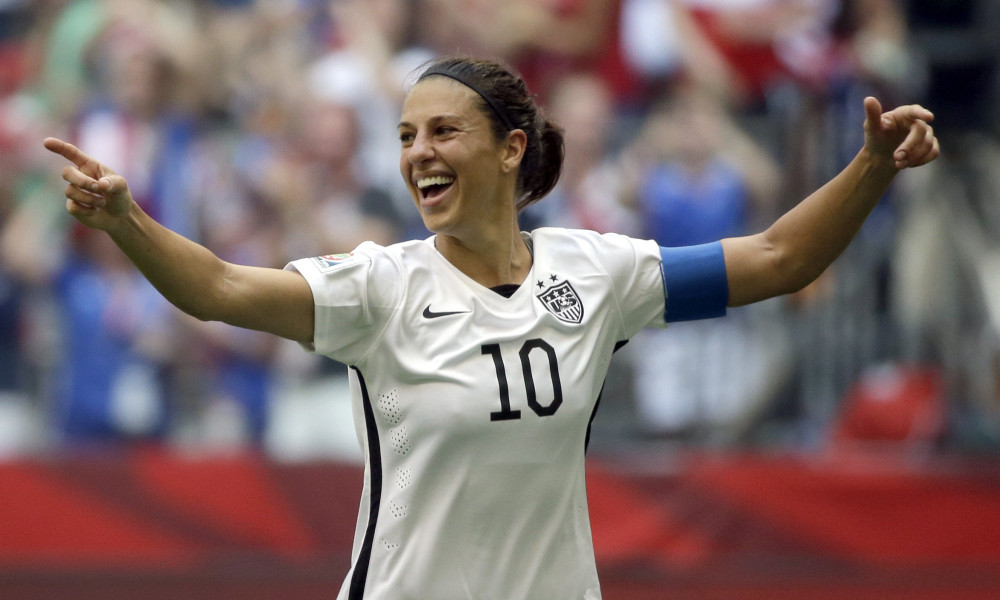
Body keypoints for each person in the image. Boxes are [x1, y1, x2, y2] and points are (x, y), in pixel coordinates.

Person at [43, 55, 938, 599]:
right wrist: (128, 220)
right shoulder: (379, 289)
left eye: (441, 131)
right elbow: (222, 290)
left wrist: (869, 167)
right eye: (403, 136)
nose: (416, 154)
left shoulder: (600, 271)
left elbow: (782, 260)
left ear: (511, 148)